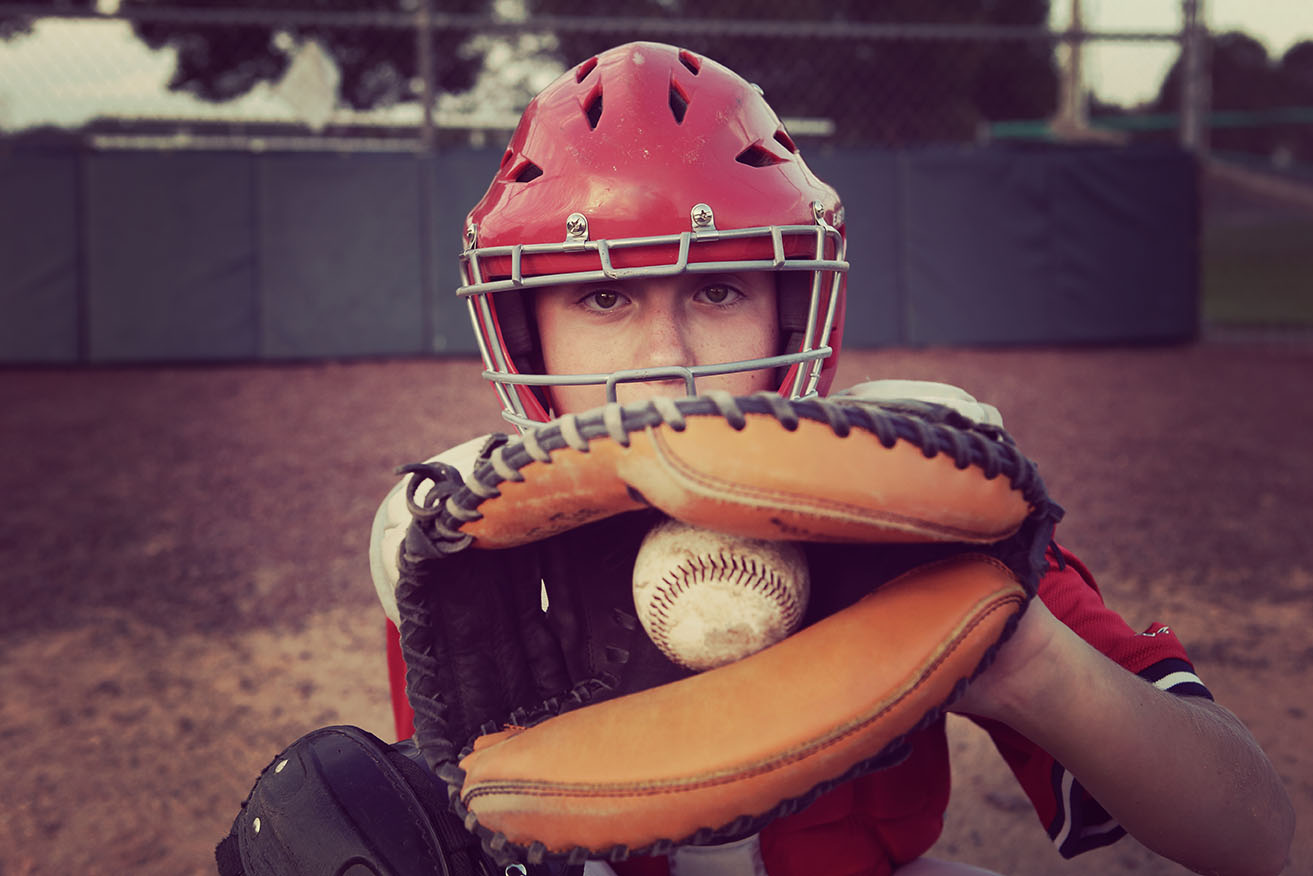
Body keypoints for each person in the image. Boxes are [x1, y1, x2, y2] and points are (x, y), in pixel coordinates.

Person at [366, 41, 1294, 876]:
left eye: (720, 287)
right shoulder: (471, 552)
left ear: (793, 310)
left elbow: (1251, 835)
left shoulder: (907, 501)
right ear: (528, 337)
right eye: (605, 297)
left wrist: (1031, 666)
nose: (671, 360)